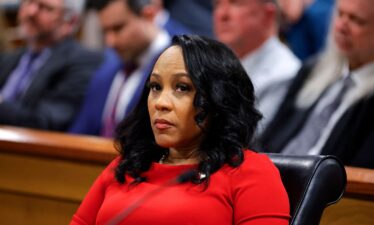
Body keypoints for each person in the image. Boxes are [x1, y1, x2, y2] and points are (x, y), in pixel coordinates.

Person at [70, 35, 290, 225]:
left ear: (218, 100)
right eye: (155, 87)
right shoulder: (126, 166)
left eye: (182, 88)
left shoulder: (250, 173)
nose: (160, 103)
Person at [260, 0, 374, 169]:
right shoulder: (313, 69)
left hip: (325, 191)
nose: (341, 26)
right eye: (340, 14)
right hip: (271, 176)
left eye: (357, 20)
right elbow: (270, 137)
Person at [69, 0, 171, 137]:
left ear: (148, 16)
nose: (110, 41)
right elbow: (79, 133)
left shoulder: (182, 61)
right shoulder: (107, 64)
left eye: (118, 28)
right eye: (105, 31)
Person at [0, 0, 102, 131]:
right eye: (28, 2)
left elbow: (46, 120)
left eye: (45, 7)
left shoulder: (82, 61)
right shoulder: (10, 58)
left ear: (69, 22)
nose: (31, 12)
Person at [213, 0, 301, 131]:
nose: (222, 14)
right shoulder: (215, 64)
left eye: (235, 3)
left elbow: (249, 140)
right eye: (217, 4)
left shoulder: (285, 74)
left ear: (268, 14)